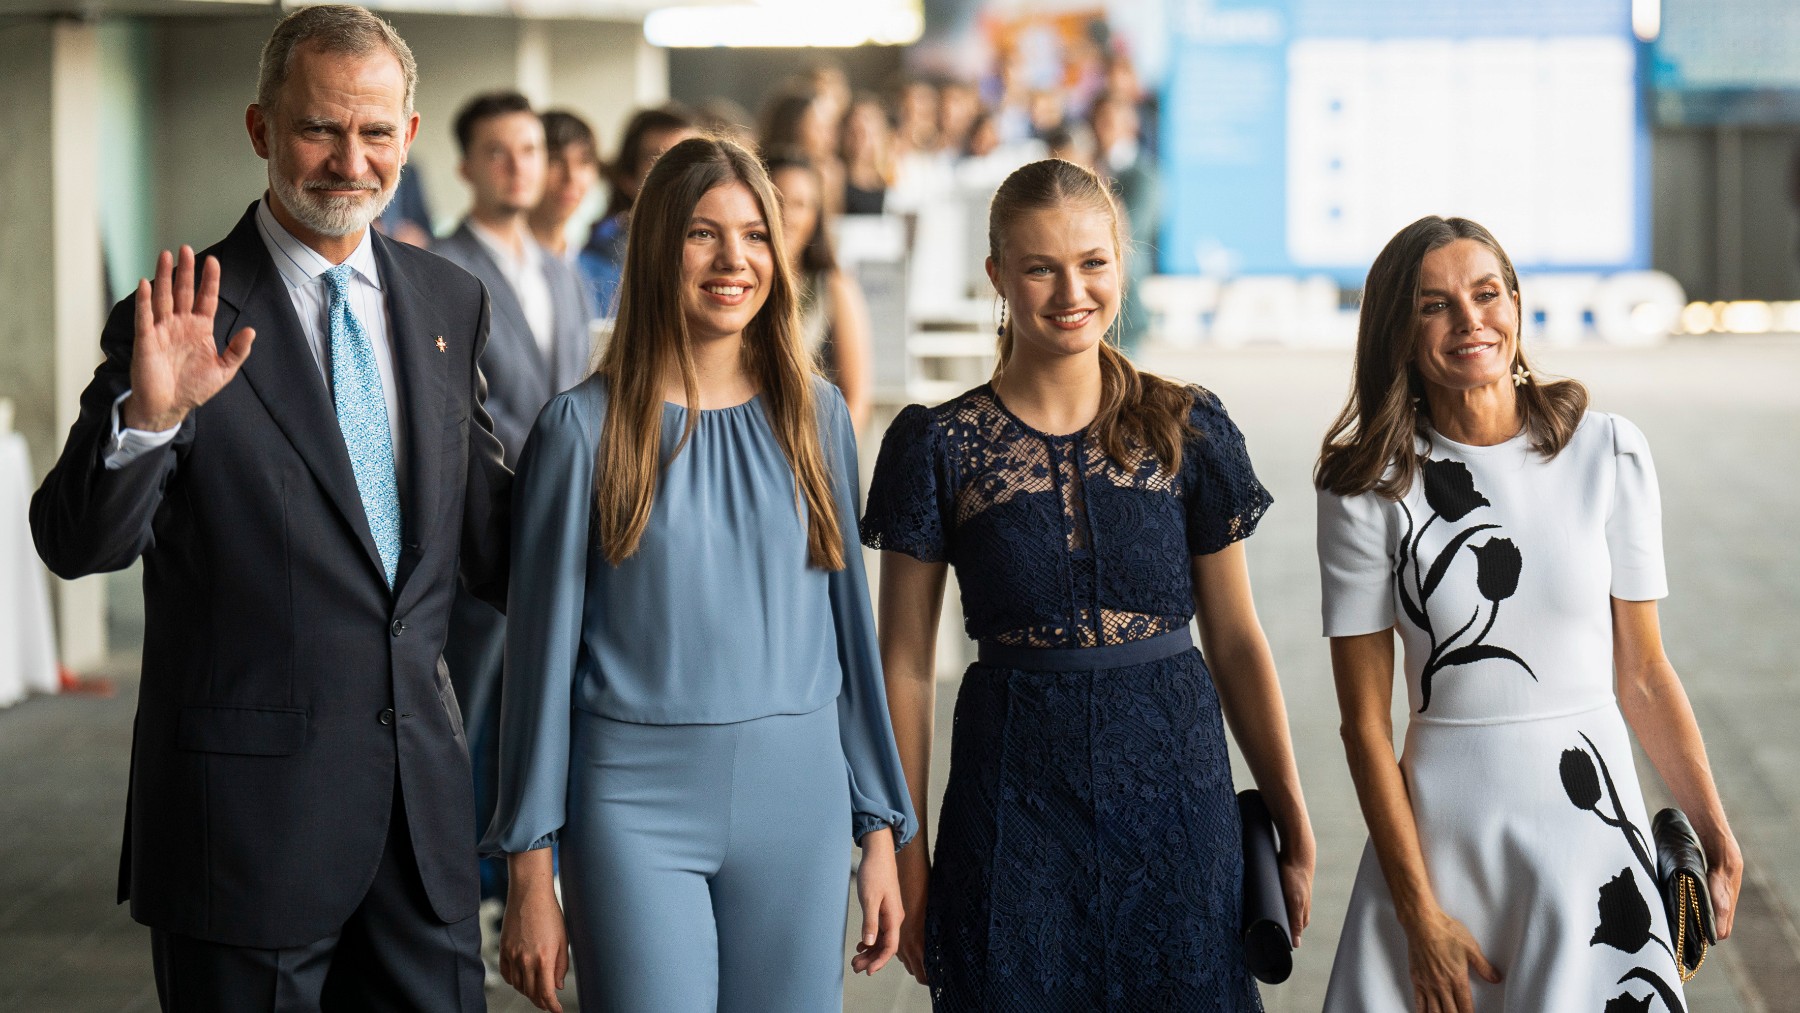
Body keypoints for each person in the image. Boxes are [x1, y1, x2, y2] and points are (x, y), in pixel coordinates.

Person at [28, 5, 511, 1008]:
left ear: (409, 138)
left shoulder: (447, 302)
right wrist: (150, 418)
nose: (350, 160)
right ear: (260, 130)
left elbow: (489, 543)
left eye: (375, 131)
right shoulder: (180, 312)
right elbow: (77, 543)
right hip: (245, 834)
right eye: (318, 129)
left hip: (420, 831)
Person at [862, 158, 1315, 1011]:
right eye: (1040, 267)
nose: (1071, 290)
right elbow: (905, 666)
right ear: (996, 275)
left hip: (1177, 795)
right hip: (1013, 806)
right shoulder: (938, 445)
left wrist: (1289, 810)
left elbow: (1238, 638)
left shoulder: (1189, 427)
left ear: (1121, 263)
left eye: (1093, 262)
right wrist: (905, 844)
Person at [483, 136, 916, 1013]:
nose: (734, 261)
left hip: (799, 796)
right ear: (655, 251)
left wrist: (880, 826)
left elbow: (850, 634)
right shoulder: (582, 429)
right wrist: (531, 869)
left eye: (756, 235)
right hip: (631, 800)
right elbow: (537, 660)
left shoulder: (817, 415)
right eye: (702, 234)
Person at [1314, 216, 1743, 1013]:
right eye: (1434, 305)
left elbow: (1644, 674)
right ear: (1398, 334)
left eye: (1486, 293)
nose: (1470, 320)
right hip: (1442, 847)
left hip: (1590, 835)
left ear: (1516, 302)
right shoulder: (1366, 487)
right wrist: (1417, 910)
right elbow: (1364, 728)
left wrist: (1710, 819)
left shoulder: (1609, 452)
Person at [431, 90, 594, 950]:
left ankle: (520, 888)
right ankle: (456, 901)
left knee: (540, 719)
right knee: (468, 720)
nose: (519, 166)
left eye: (530, 149)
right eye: (498, 151)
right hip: (481, 538)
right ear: (464, 165)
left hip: (562, 534)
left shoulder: (562, 268)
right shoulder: (443, 270)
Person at [765, 148, 874, 434]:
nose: (787, 215)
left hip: (816, 451)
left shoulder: (835, 287)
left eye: (801, 204)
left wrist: (827, 460)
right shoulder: (739, 286)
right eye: (777, 201)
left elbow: (857, 398)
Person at [578, 104, 698, 319]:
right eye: (658, 161)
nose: (680, 175)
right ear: (628, 179)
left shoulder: (730, 256)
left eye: (690, 160)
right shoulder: (588, 270)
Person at [1090, 89, 1159, 355]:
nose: (1101, 129)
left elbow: (1132, 231)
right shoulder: (1092, 165)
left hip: (1126, 302)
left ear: (1131, 124)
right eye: (1097, 120)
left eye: (1109, 120)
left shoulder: (1144, 176)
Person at [528, 109, 603, 266]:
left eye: (583, 161)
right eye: (554, 160)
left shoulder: (598, 270)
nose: (571, 176)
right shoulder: (500, 264)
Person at [840, 93, 893, 215]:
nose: (860, 141)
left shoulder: (894, 177)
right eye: (853, 133)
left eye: (867, 134)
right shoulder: (836, 178)